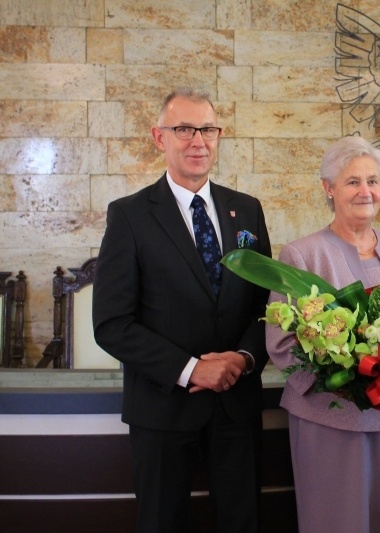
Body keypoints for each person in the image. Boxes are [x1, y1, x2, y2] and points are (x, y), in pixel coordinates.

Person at [93, 87, 272, 533]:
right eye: (184, 129)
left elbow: (266, 304)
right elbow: (112, 324)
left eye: (207, 129)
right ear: (160, 137)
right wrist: (191, 369)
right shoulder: (130, 216)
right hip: (163, 409)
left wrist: (244, 358)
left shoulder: (246, 210)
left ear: (219, 134)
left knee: (242, 521)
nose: (198, 140)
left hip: (237, 404)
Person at [265, 136, 380, 533]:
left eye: (372, 181)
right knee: (338, 521)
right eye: (353, 181)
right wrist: (353, 370)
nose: (365, 191)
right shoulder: (302, 256)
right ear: (329, 188)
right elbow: (283, 343)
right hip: (333, 424)